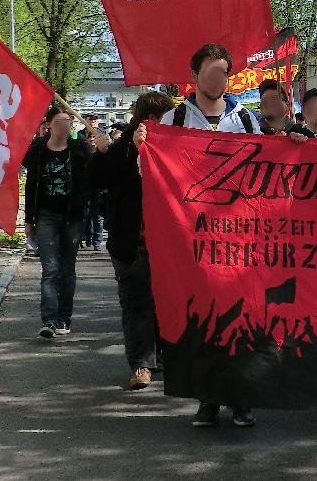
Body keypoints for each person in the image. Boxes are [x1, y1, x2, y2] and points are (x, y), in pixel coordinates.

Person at [137, 43, 259, 430]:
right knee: (205, 318)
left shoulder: (248, 121)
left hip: (240, 236)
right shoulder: (173, 120)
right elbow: (152, 177)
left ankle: (241, 397)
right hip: (193, 239)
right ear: (195, 75)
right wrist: (143, 149)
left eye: (223, 71)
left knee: (243, 318)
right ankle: (207, 398)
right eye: (209, 70)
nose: (216, 78)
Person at [91, 91, 175, 391]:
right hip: (131, 240)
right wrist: (127, 150)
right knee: (137, 303)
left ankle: (164, 357)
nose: (154, 124)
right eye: (150, 118)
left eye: (160, 118)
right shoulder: (124, 146)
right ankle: (141, 363)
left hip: (168, 243)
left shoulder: (176, 144)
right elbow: (102, 178)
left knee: (165, 303)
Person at [23, 107, 92, 340]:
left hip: (72, 216)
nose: (65, 126)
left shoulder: (79, 148)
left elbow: (94, 170)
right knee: (50, 268)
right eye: (60, 122)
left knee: (67, 269)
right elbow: (31, 184)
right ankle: (49, 320)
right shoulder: (38, 151)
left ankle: (64, 317)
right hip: (46, 216)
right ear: (49, 125)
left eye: (69, 122)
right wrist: (28, 219)